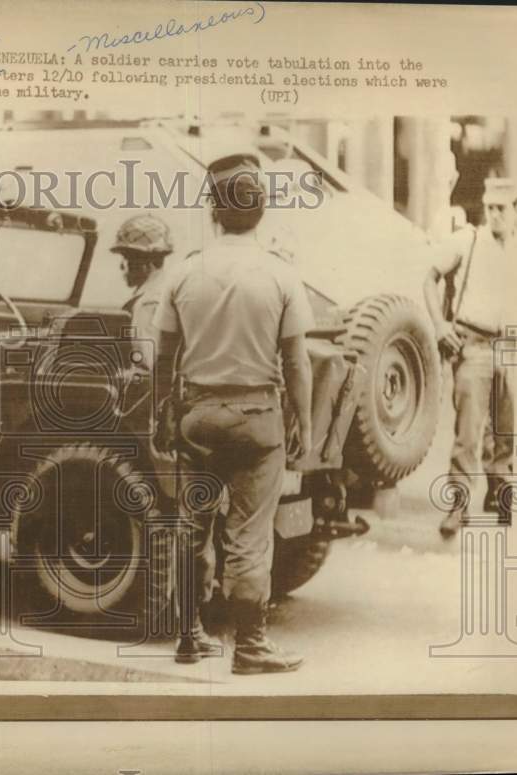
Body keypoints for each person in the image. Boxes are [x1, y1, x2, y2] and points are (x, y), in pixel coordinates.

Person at [153, 154, 314, 674]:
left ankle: (188, 638)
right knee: (248, 537)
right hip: (256, 421)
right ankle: (250, 646)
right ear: (261, 211)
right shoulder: (281, 275)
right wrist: (305, 423)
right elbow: (296, 361)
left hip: (197, 419)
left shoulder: (183, 272)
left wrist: (162, 414)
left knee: (191, 528)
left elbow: (163, 357)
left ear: (213, 211)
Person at [424, 177, 517, 538]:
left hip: (511, 346)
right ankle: (458, 504)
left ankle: (500, 494)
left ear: (515, 211)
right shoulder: (468, 240)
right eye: (490, 208)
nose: (495, 215)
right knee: (468, 431)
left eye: (502, 209)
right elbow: (429, 277)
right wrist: (439, 325)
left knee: (507, 429)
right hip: (473, 344)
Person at [111, 215, 173, 363]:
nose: (121, 266)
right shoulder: (167, 291)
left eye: (127, 257)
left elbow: (145, 363)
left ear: (145, 262)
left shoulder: (147, 303)